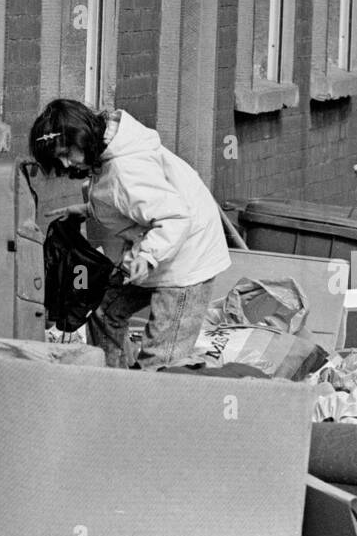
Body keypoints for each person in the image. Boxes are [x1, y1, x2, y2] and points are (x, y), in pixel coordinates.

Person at [29, 99, 231, 370]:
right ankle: (113, 382)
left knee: (162, 361)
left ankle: (143, 398)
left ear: (83, 136)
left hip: (187, 258)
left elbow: (174, 217)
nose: (66, 163)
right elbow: (130, 200)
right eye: (59, 158)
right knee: (103, 308)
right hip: (160, 245)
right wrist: (88, 209)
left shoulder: (126, 168)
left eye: (66, 153)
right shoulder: (108, 147)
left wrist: (146, 257)